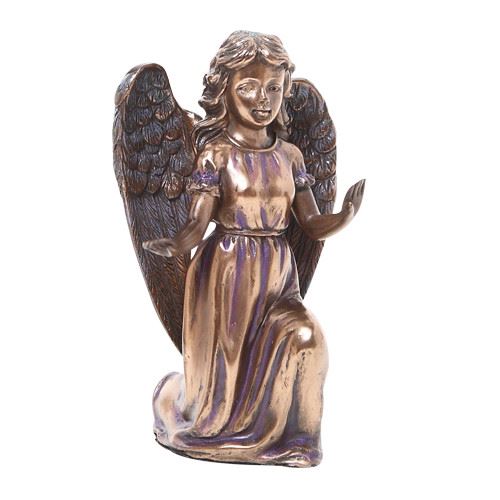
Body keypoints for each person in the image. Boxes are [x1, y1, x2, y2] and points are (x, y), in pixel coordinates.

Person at [143, 31, 364, 467]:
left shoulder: (291, 156)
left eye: (274, 87)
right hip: (226, 272)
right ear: (225, 90)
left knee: (304, 336)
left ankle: (296, 437)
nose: (263, 99)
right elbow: (197, 223)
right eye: (249, 87)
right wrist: (176, 243)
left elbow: (310, 223)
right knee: (230, 363)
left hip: (277, 271)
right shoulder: (216, 155)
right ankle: (221, 424)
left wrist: (343, 216)